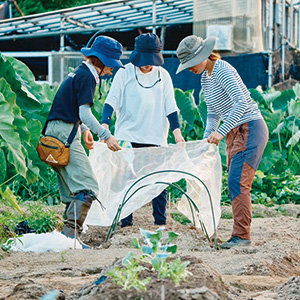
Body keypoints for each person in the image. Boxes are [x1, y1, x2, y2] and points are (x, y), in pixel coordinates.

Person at [176, 35, 268, 249]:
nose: (189, 69)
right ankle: (240, 234)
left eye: (190, 63)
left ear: (203, 55)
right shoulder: (205, 78)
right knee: (235, 182)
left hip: (250, 128)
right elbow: (213, 113)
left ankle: (242, 237)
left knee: (238, 182)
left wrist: (222, 131)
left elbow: (242, 102)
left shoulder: (222, 69)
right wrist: (206, 140)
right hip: (235, 131)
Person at [44, 36, 123, 243]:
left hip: (59, 131)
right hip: (65, 134)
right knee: (87, 187)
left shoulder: (79, 73)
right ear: (100, 60)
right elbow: (85, 112)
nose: (112, 70)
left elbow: (74, 108)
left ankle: (67, 237)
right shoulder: (87, 77)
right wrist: (106, 136)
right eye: (110, 64)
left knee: (74, 190)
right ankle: (71, 238)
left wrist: (85, 129)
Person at [101, 33, 185, 228]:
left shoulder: (163, 75)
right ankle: (126, 224)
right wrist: (105, 124)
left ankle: (160, 223)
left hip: (155, 136)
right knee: (126, 179)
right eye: (145, 61)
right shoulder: (124, 73)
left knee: (158, 181)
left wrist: (177, 133)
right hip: (127, 136)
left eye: (152, 61)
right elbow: (111, 100)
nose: (148, 65)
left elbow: (170, 106)